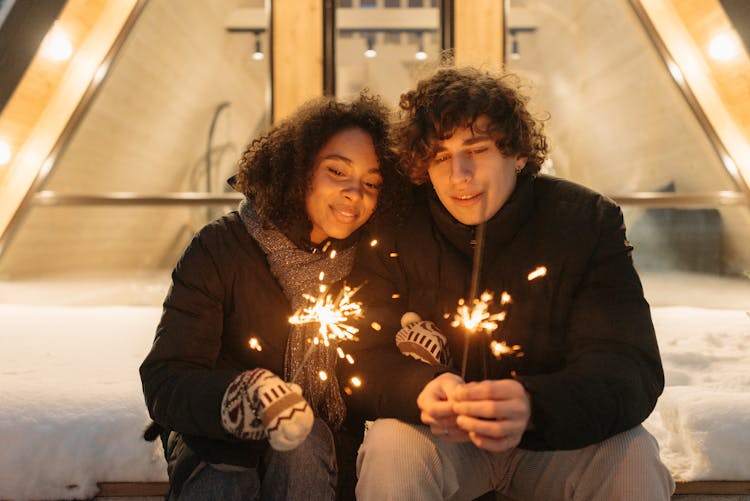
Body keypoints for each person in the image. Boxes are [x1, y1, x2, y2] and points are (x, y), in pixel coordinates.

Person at [339, 67, 675, 500]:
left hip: (556, 438)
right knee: (391, 444)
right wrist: (417, 388)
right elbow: (359, 355)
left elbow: (629, 366)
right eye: (440, 157)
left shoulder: (585, 222)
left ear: (517, 154)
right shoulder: (396, 227)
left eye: (476, 150)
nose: (459, 173)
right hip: (443, 442)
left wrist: (533, 403)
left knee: (632, 453)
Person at [140, 93, 406, 500]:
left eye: (371, 182)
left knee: (306, 440)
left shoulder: (373, 263)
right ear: (297, 171)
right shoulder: (222, 247)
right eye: (337, 170)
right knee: (225, 479)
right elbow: (166, 380)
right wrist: (243, 400)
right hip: (217, 439)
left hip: (321, 449)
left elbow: (374, 377)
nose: (356, 192)